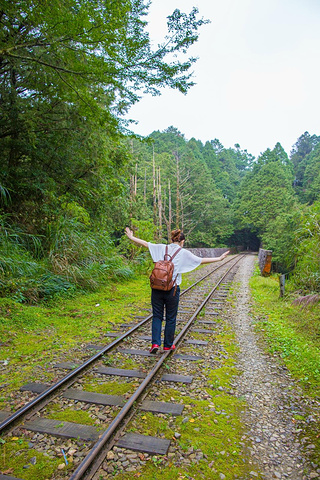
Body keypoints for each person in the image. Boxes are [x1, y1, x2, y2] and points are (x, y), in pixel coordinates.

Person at [125, 227, 230, 354]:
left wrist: (131, 237)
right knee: (171, 317)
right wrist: (219, 259)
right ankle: (168, 345)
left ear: (171, 239)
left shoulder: (161, 247)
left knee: (157, 316)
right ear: (182, 241)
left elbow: (146, 244)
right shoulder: (183, 253)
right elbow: (200, 261)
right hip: (172, 290)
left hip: (157, 288)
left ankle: (155, 343)